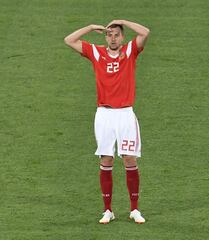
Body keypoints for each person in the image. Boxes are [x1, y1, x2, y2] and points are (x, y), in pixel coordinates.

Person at [64, 20, 150, 224]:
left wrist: (123, 22)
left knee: (129, 159)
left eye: (116, 34)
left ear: (122, 37)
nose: (112, 38)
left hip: (125, 114)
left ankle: (134, 209)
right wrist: (90, 27)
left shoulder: (130, 51)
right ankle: (108, 210)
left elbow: (145, 32)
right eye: (109, 35)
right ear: (105, 37)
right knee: (106, 160)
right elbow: (69, 40)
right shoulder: (96, 53)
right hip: (104, 114)